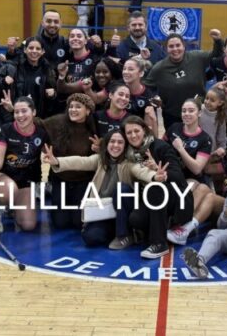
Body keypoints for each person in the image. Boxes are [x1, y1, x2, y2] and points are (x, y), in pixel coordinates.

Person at [44, 129, 154, 249]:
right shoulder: (101, 160)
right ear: (107, 144)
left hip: (124, 210)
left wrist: (155, 176)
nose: (115, 145)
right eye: (112, 141)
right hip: (104, 211)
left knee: (122, 189)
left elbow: (142, 172)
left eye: (120, 142)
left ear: (125, 146)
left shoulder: (130, 164)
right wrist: (56, 161)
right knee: (90, 237)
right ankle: (117, 231)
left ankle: (124, 235)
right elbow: (80, 161)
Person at [124, 115, 192, 259]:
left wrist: (159, 170)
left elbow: (179, 177)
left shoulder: (161, 146)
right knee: (136, 219)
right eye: (129, 132)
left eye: (136, 131)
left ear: (144, 130)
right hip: (151, 200)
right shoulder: (129, 153)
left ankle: (159, 243)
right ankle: (165, 224)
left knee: (155, 188)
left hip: (178, 198)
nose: (133, 135)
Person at [0, 97, 50, 233]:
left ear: (33, 112)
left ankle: (13, 208)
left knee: (28, 225)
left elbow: (51, 154)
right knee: (10, 190)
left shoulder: (41, 133)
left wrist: (53, 158)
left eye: (24, 111)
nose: (20, 115)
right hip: (3, 176)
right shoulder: (5, 129)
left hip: (24, 180)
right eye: (16, 112)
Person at [163, 98, 217, 245]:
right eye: (184, 111)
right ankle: (178, 224)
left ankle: (181, 226)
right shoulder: (174, 128)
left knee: (203, 189)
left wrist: (181, 149)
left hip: (192, 179)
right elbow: (160, 148)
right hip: (171, 176)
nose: (186, 114)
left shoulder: (205, 139)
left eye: (191, 111)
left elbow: (197, 168)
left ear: (199, 113)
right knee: (205, 191)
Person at [41, 94, 95, 230]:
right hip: (60, 179)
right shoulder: (57, 122)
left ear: (88, 110)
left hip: (83, 180)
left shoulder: (94, 128)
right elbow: (37, 124)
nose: (73, 110)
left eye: (78, 107)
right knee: (60, 223)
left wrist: (99, 148)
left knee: (78, 222)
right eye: (71, 106)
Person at [143, 34, 213, 129]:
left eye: (178, 45)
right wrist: (154, 97)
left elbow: (217, 54)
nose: (175, 49)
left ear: (184, 46)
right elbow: (145, 87)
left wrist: (217, 40)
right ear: (166, 49)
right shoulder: (159, 68)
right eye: (171, 46)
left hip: (199, 113)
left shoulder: (197, 57)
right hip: (172, 116)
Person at [0, 36, 58, 117]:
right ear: (25, 50)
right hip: (15, 115)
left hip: (38, 118)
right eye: (31, 48)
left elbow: (52, 100)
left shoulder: (47, 69)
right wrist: (3, 82)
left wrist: (52, 96)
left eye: (38, 49)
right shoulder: (12, 67)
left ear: (43, 51)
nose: (34, 51)